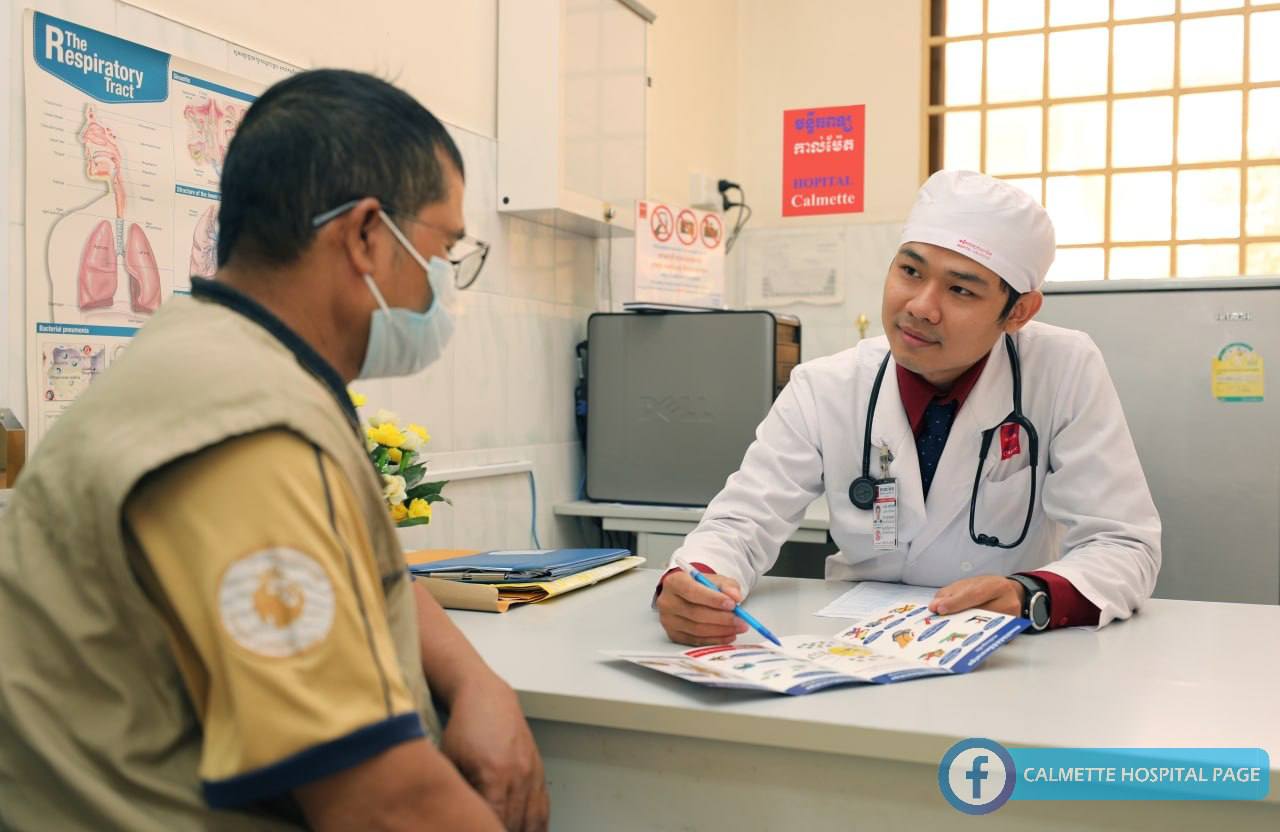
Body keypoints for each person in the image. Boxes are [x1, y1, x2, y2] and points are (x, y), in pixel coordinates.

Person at [0, 69, 546, 831]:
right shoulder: (245, 429)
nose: (443, 284)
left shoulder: (210, 358)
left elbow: (346, 576)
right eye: (444, 246)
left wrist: (476, 682)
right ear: (365, 234)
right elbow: (383, 803)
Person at [656, 170, 1161, 646]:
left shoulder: (1062, 369)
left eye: (960, 289)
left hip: (1005, 652)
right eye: (910, 271)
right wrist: (695, 580)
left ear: (1019, 312)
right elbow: (741, 523)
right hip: (854, 645)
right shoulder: (825, 386)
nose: (920, 305)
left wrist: (1029, 595)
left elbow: (1123, 545)